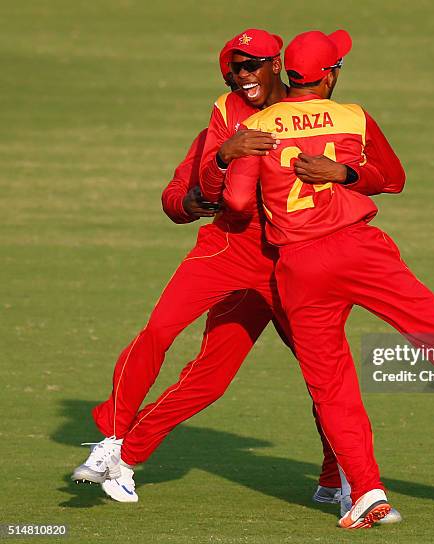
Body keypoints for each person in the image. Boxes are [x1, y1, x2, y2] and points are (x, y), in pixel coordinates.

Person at [221, 29, 434, 529]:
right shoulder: (354, 117)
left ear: (288, 73)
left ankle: (366, 492)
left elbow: (235, 202)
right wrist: (342, 175)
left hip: (299, 265)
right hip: (360, 249)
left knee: (332, 384)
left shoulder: (257, 125)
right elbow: (393, 178)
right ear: (329, 75)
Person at [72, 31, 402, 525]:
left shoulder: (306, 113)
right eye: (236, 68)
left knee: (325, 378)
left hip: (293, 266)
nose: (244, 76)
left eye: (254, 66)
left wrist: (341, 184)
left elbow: (373, 175)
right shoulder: (225, 112)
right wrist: (216, 166)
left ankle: (339, 480)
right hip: (228, 251)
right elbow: (185, 189)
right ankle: (117, 443)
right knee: (190, 361)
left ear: (279, 67)